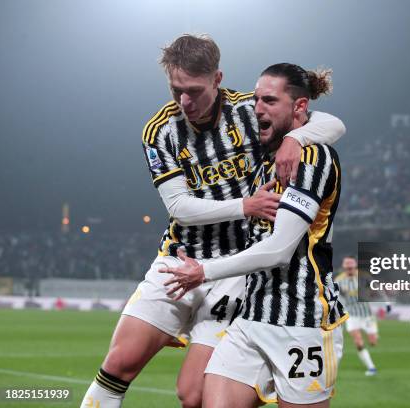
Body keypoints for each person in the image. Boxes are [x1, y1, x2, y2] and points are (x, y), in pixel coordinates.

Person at [80, 34, 345, 408]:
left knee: (193, 395)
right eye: (176, 90)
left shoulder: (250, 111)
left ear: (217, 79)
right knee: (119, 362)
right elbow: (179, 207)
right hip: (179, 257)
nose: (184, 102)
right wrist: (245, 206)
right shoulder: (160, 131)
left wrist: (296, 139)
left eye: (194, 90)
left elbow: (332, 123)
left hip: (237, 269)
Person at [160, 62, 348, 408]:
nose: (257, 108)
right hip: (252, 317)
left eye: (270, 101)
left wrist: (204, 272)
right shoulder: (267, 158)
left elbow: (278, 250)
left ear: (300, 106)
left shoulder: (312, 158)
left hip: (302, 322)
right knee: (200, 398)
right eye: (257, 99)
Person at [335, 256, 379, 376]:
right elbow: (337, 298)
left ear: (355, 265)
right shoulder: (338, 280)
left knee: (373, 342)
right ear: (344, 267)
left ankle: (372, 341)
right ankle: (371, 367)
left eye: (351, 264)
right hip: (352, 315)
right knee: (358, 341)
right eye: (347, 265)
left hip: (367, 314)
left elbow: (376, 288)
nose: (349, 267)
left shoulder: (364, 277)